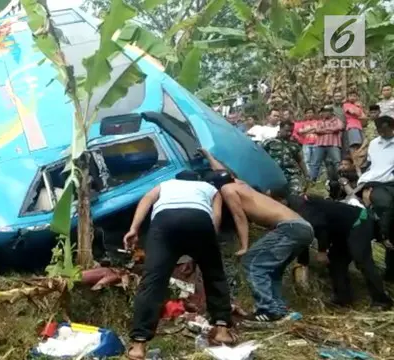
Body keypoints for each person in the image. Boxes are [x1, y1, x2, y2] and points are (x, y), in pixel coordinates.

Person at [123, 171, 237, 359]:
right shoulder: (209, 188)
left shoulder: (166, 185)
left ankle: (138, 345)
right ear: (197, 180)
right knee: (214, 275)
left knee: (152, 282)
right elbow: (215, 217)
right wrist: (208, 244)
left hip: (165, 222)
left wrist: (134, 228)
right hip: (199, 221)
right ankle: (222, 330)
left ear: (178, 179)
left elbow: (146, 200)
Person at [199, 149, 314, 323]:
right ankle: (279, 309)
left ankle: (267, 309)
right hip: (303, 227)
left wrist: (244, 246)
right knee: (272, 270)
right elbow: (223, 172)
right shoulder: (239, 184)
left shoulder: (228, 191)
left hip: (289, 228)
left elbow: (240, 217)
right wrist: (209, 156)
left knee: (252, 263)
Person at [286, 194, 393, 310]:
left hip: (358, 221)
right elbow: (303, 238)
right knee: (336, 262)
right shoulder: (292, 214)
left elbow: (321, 226)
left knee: (361, 259)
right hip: (341, 231)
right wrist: (303, 263)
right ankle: (343, 299)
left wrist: (322, 251)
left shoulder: (304, 208)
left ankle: (382, 301)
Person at [358, 116, 394, 282]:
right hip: (376, 183)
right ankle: (383, 236)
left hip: (391, 182)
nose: (382, 133)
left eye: (386, 130)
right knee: (385, 207)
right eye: (380, 130)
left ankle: (390, 272)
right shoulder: (374, 144)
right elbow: (372, 165)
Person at [262, 121, 308, 195]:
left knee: (296, 194)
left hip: (291, 175)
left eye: (291, 131)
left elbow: (300, 161)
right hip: (274, 175)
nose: (289, 133)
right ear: (280, 129)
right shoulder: (269, 142)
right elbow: (260, 156)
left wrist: (306, 175)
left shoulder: (294, 145)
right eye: (287, 131)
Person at [309, 106, 344, 182]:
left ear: (331, 112)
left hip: (333, 144)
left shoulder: (337, 120)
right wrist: (331, 130)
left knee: (337, 162)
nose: (324, 113)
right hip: (320, 144)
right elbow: (317, 130)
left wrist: (323, 130)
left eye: (326, 111)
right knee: (315, 163)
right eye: (323, 112)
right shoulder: (319, 121)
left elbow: (340, 127)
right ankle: (312, 182)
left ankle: (342, 179)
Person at [292, 107, 318, 173]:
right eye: (308, 113)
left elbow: (318, 130)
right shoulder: (302, 123)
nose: (309, 114)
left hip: (316, 143)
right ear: (305, 114)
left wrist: (306, 131)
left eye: (311, 112)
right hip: (306, 143)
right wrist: (313, 128)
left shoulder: (317, 122)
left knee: (316, 160)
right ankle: (308, 174)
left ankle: (315, 175)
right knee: (306, 160)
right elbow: (300, 132)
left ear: (314, 114)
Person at [343, 91, 368, 157]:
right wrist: (358, 108)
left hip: (359, 126)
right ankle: (355, 163)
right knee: (354, 145)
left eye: (354, 96)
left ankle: (359, 163)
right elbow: (353, 112)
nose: (352, 98)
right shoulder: (346, 105)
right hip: (352, 126)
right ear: (347, 97)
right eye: (351, 96)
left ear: (357, 97)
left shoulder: (358, 106)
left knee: (361, 145)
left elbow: (364, 117)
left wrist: (358, 109)